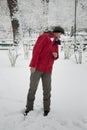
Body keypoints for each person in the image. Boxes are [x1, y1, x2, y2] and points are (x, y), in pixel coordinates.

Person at [24, 26, 65, 116]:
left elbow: (55, 55)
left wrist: (56, 56)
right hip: (37, 68)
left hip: (48, 69)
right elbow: (36, 51)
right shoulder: (44, 37)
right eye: (60, 34)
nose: (60, 36)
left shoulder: (56, 41)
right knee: (33, 88)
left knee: (47, 89)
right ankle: (29, 108)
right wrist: (33, 65)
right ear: (57, 32)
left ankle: (47, 109)